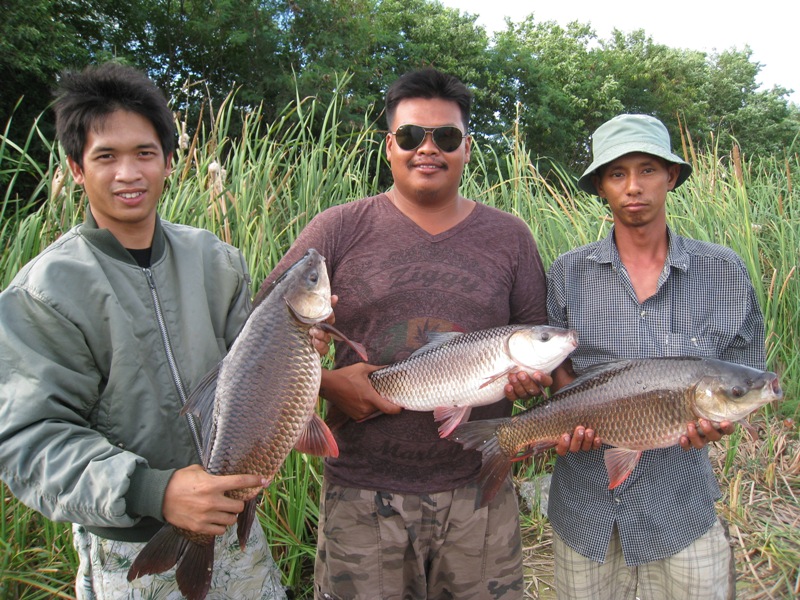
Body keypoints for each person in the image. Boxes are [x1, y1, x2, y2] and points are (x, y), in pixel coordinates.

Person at [0, 62, 295, 599]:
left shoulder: (217, 260)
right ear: (75, 167)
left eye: (144, 153)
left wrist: (296, 345)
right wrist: (155, 490)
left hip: (234, 529)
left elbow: (252, 376)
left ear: (167, 162)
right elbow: (28, 440)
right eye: (105, 157)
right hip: (128, 544)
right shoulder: (44, 291)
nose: (128, 174)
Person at [257, 67, 550, 599]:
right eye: (412, 136)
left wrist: (532, 381)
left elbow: (537, 338)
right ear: (389, 145)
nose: (428, 149)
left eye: (447, 137)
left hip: (479, 494)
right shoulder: (338, 228)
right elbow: (262, 334)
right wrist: (328, 383)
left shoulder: (511, 237)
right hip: (362, 494)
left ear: (467, 147)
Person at [546, 113, 766, 600]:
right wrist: (568, 427)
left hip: (682, 509)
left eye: (647, 170)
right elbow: (556, 380)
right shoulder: (567, 274)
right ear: (601, 186)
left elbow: (744, 375)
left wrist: (723, 422)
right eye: (617, 174)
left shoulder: (725, 270)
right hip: (585, 513)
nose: (633, 187)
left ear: (671, 176)